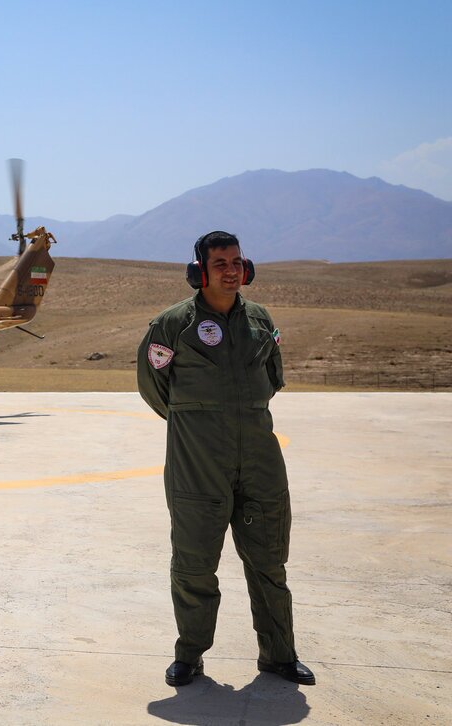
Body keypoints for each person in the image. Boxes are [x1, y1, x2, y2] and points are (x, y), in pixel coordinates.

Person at [137, 231, 314, 688]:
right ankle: (190, 656)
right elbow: (154, 389)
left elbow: (273, 377)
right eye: (220, 263)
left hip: (258, 459)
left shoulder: (259, 320)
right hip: (198, 463)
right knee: (194, 564)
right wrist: (197, 422)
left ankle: (278, 655)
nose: (231, 270)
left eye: (237, 261)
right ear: (200, 271)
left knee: (269, 563)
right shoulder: (172, 324)